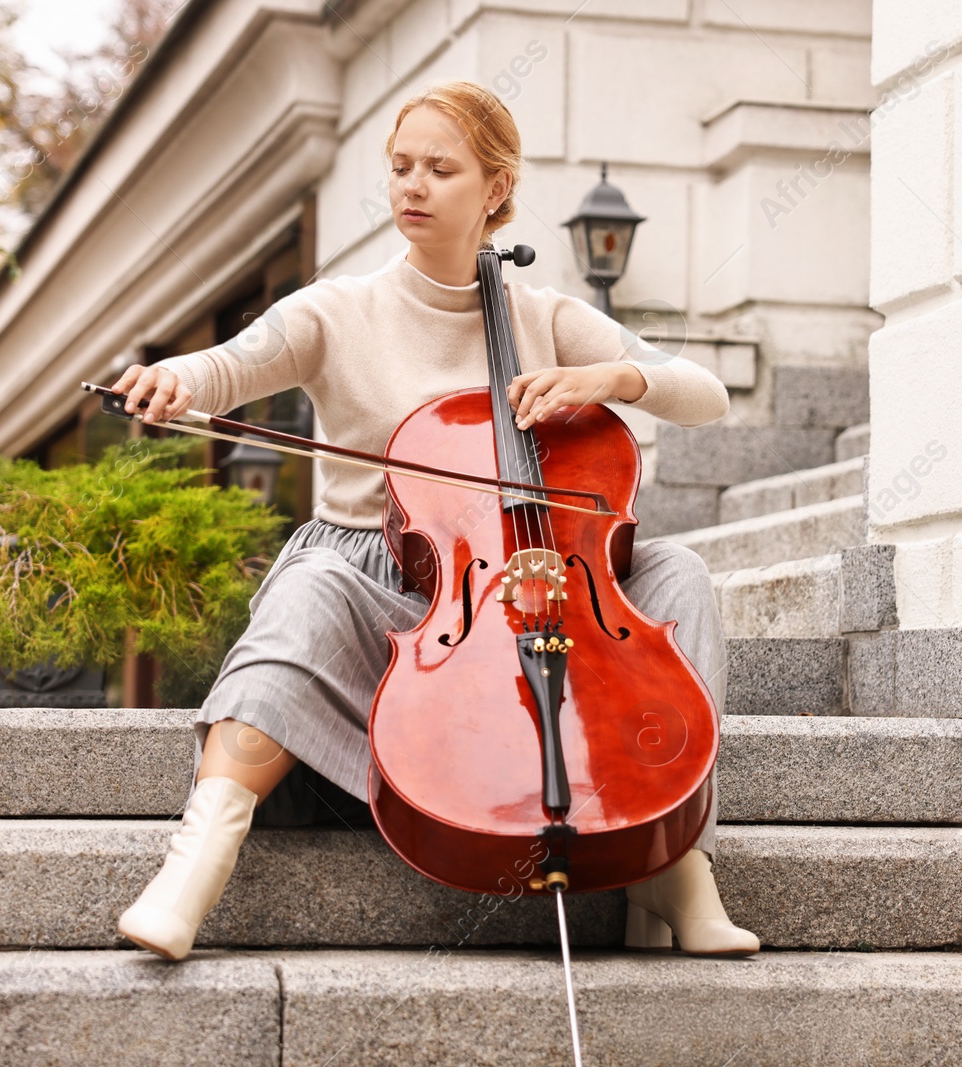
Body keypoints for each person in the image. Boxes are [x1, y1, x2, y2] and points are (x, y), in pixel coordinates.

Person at [111, 79, 759, 961]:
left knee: (679, 574)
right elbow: (231, 365)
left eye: (440, 169)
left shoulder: (545, 316)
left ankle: (676, 863)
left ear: (494, 189)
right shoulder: (338, 309)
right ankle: (197, 860)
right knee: (310, 584)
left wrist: (613, 378)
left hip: (531, 578)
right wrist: (177, 380)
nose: (411, 185)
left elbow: (708, 395)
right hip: (380, 589)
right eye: (400, 166)